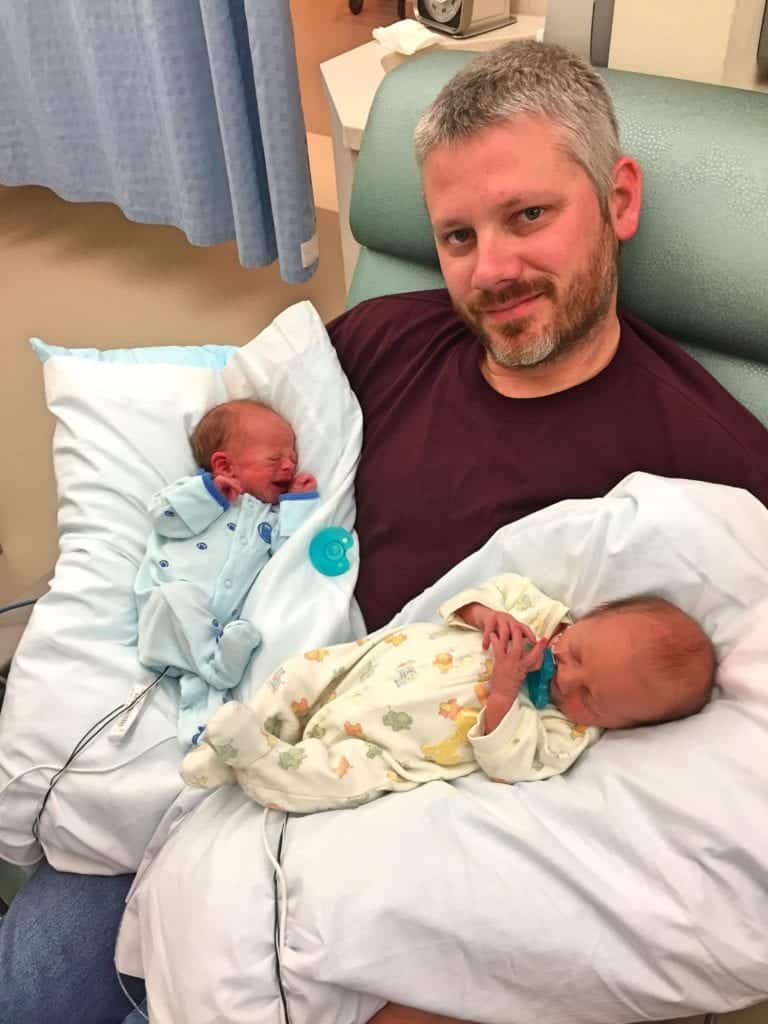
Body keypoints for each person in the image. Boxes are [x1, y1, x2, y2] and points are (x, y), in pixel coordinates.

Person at [3, 39, 768, 1024]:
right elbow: (233, 456)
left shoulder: (709, 463)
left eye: (529, 216)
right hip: (230, 748)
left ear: (618, 200)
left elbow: (680, 804)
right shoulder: (382, 342)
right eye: (456, 237)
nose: (491, 270)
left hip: (390, 856)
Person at [181, 574, 714, 813]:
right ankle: (233, 742)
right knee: (302, 672)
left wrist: (506, 694)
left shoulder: (564, 732)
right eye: (574, 655)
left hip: (390, 748)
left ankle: (257, 758)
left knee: (334, 780)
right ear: (585, 619)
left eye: (591, 699)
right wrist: (487, 616)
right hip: (367, 670)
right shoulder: (531, 609)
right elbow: (474, 596)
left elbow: (512, 762)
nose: (564, 681)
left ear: (617, 725)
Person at [134, 399, 319, 745]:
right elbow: (162, 516)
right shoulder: (195, 496)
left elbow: (289, 555)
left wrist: (298, 504)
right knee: (176, 597)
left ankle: (205, 734)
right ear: (225, 465)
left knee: (202, 690)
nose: (289, 465)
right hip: (169, 622)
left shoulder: (269, 516)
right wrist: (209, 494)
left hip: (222, 632)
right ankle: (217, 671)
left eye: (292, 457)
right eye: (275, 458)